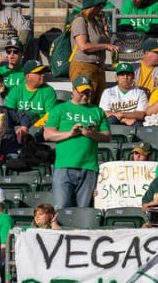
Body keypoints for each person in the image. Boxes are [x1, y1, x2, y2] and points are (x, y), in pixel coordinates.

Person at [43, 76, 110, 208]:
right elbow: (48, 135)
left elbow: (107, 136)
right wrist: (70, 133)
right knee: (61, 209)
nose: (85, 96)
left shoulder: (97, 111)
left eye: (88, 93)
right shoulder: (60, 109)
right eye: (82, 92)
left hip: (89, 167)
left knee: (83, 211)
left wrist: (92, 134)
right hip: (64, 166)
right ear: (73, 90)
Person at [66, 0, 117, 95]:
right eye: (99, 6)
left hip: (98, 67)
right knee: (85, 101)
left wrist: (105, 26)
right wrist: (105, 46)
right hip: (83, 67)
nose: (101, 9)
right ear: (92, 7)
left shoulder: (95, 22)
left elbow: (107, 42)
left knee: (98, 103)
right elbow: (83, 46)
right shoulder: (80, 21)